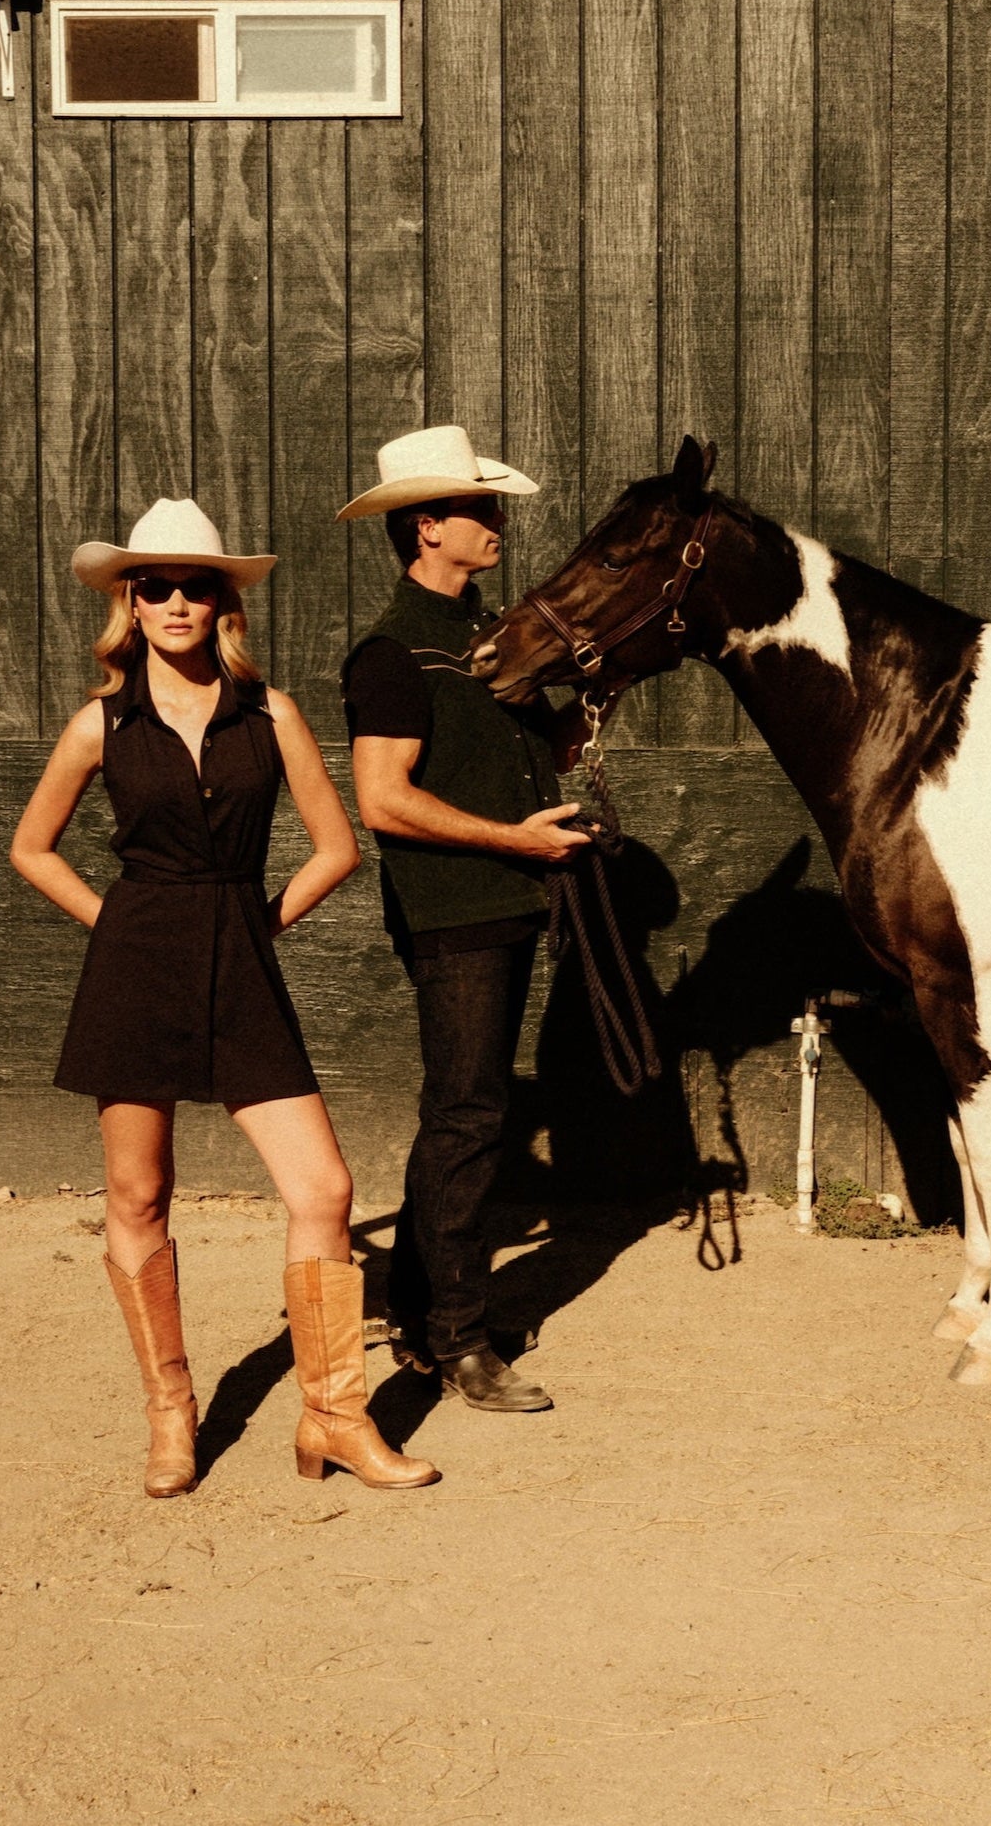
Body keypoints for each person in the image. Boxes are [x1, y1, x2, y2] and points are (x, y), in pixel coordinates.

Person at [10, 495, 438, 1498]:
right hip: (135, 970)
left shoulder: (271, 713)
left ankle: (335, 1417)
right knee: (137, 1194)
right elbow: (30, 848)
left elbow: (336, 848)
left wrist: (255, 925)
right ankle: (171, 1413)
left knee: (323, 1190)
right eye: (153, 585)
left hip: (241, 968)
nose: (174, 602)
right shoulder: (100, 722)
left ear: (220, 603)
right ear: (129, 602)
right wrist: (115, 927)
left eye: (193, 586)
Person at [336, 426, 589, 1412]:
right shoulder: (392, 652)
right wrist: (513, 840)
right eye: (478, 509)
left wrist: (584, 708)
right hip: (455, 909)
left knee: (463, 1111)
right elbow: (383, 799)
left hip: (507, 900)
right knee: (470, 1116)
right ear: (426, 527)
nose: (496, 524)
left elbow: (533, 756)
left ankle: (418, 1312)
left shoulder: (489, 638)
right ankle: (456, 1339)